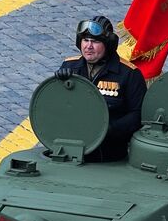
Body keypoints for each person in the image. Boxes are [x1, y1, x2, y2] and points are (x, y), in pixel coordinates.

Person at [54, 15, 147, 161]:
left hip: (109, 156)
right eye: (85, 40)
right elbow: (55, 108)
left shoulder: (129, 74)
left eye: (95, 41)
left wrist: (109, 129)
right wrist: (58, 85)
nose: (88, 46)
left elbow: (139, 114)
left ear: (108, 45)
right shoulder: (69, 67)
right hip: (72, 151)